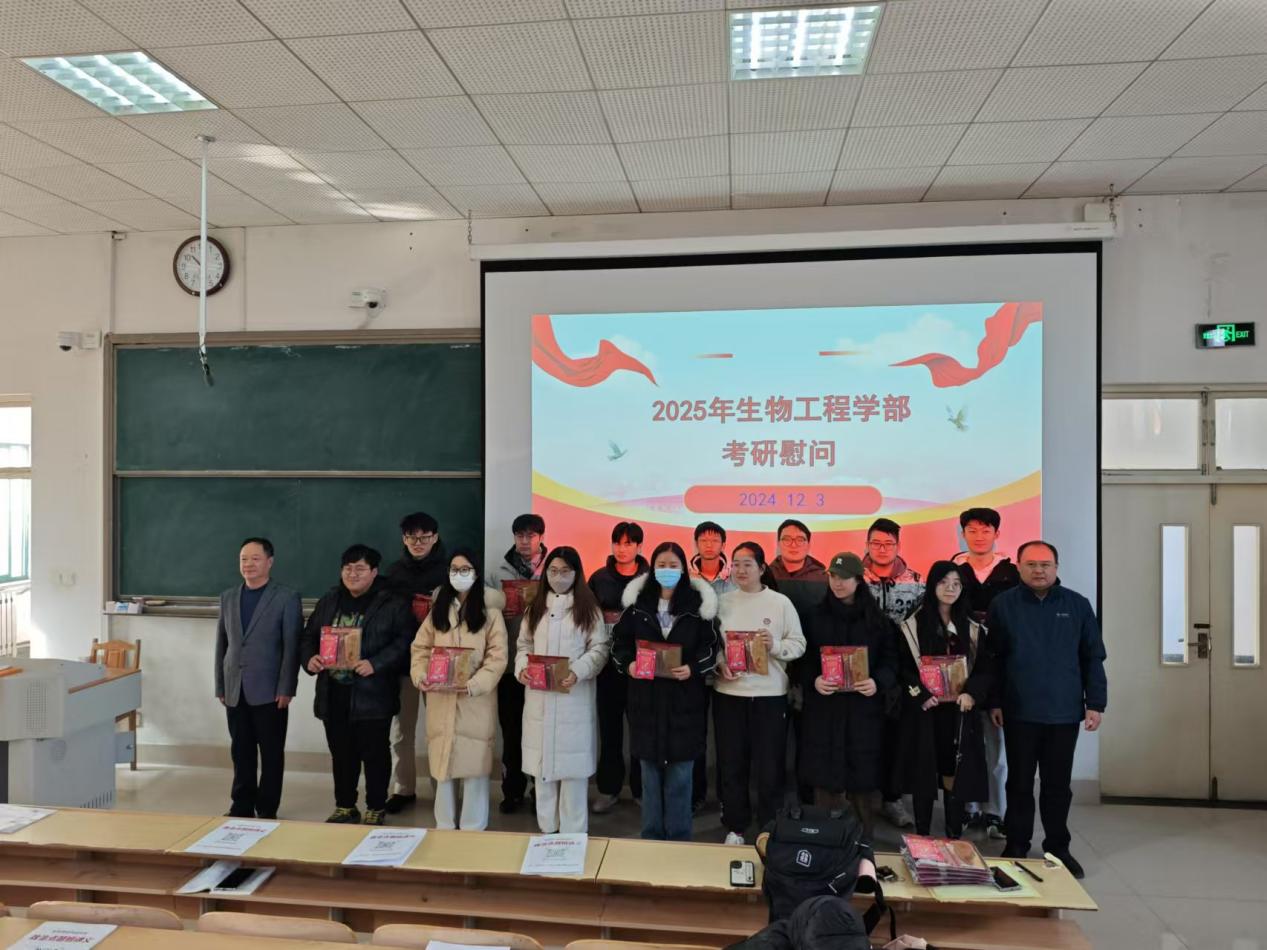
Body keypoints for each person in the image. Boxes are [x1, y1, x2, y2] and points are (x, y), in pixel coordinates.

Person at [988, 541, 1106, 879]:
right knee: (1019, 783)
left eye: (1045, 564)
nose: (1038, 570)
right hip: (1018, 710)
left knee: (1057, 785)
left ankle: (1058, 847)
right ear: (1019, 566)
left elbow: (1092, 656)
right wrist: (995, 701)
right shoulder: (1003, 605)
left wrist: (1095, 703)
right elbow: (992, 659)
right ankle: (1017, 843)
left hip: (1063, 712)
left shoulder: (1077, 605)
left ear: (1056, 567)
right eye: (1031, 564)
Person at [301, 544, 416, 825]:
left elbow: (405, 641)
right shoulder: (330, 600)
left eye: (360, 568)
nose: (352, 574)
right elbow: (308, 636)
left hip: (373, 692)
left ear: (374, 572)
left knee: (375, 754)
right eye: (348, 568)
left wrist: (376, 663)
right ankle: (344, 805)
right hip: (333, 691)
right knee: (341, 753)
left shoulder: (392, 603)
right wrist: (310, 658)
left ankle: (376, 805)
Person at [611, 541, 719, 840]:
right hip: (645, 700)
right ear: (652, 568)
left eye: (673, 565)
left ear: (683, 569)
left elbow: (711, 647)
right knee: (649, 775)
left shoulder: (698, 606)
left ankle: (679, 838)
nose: (667, 570)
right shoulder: (637, 605)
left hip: (685, 701)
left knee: (681, 775)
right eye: (661, 565)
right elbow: (619, 644)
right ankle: (651, 837)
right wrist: (630, 665)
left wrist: (693, 668)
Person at [798, 553, 899, 842]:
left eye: (844, 577)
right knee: (823, 777)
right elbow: (802, 661)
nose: (837, 583)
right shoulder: (814, 617)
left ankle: (862, 844)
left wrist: (877, 682)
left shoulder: (878, 621)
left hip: (863, 711)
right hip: (824, 709)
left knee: (863, 780)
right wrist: (814, 680)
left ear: (858, 580)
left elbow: (892, 662)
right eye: (832, 576)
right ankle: (823, 842)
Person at [894, 561, 995, 839]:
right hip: (926, 710)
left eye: (956, 584)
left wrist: (972, 692)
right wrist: (921, 695)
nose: (950, 589)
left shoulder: (972, 628)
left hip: (959, 711)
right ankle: (922, 834)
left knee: (955, 770)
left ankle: (953, 834)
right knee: (923, 770)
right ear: (932, 585)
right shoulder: (912, 625)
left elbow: (985, 668)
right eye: (943, 582)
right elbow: (903, 668)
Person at [411, 548, 508, 831]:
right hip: (440, 699)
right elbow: (420, 648)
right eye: (454, 569)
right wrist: (421, 675)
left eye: (465, 569)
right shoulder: (438, 610)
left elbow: (498, 658)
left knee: (474, 769)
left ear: (476, 573)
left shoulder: (491, 613)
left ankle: (473, 829)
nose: (459, 575)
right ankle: (444, 827)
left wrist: (475, 684)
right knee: (443, 768)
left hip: (475, 699)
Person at [714, 541, 805, 844]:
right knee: (732, 764)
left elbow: (799, 644)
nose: (740, 570)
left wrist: (774, 646)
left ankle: (769, 827)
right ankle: (735, 826)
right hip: (729, 695)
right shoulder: (722, 603)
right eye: (736, 564)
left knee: (770, 766)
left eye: (747, 564)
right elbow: (712, 645)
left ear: (762, 568)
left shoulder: (780, 603)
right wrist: (719, 663)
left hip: (769, 697)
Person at [515, 546, 610, 833]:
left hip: (573, 700)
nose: (559, 577)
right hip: (540, 700)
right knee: (543, 774)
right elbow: (524, 645)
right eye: (553, 571)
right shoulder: (535, 608)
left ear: (576, 573)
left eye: (565, 571)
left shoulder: (588, 609)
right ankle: (547, 833)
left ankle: (573, 836)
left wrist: (578, 670)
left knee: (573, 778)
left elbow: (600, 649)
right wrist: (522, 668)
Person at [215, 538, 302, 820]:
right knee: (241, 751)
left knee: (271, 753)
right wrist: (220, 684)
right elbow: (222, 644)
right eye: (243, 559)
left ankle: (267, 807)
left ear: (269, 562)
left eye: (255, 559)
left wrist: (287, 687)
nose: (248, 564)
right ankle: (241, 805)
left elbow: (292, 647)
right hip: (235, 687)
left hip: (271, 690)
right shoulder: (228, 597)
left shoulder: (286, 597)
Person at [951, 507, 1020, 840]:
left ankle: (996, 811)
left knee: (996, 745)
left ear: (996, 534)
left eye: (986, 530)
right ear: (963, 533)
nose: (979, 537)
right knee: (964, 741)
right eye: (972, 530)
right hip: (961, 665)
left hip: (1000, 664)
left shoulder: (1012, 572)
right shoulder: (954, 571)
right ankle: (969, 807)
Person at [381, 511, 448, 815]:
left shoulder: (450, 570)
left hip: (441, 661)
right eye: (411, 537)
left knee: (439, 730)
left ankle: (442, 788)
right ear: (404, 539)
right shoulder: (394, 573)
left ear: (435, 537)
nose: (418, 542)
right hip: (403, 661)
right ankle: (403, 787)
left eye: (424, 537)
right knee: (402, 731)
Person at [862, 517, 924, 830]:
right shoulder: (854, 579)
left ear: (898, 546)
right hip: (862, 671)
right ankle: (859, 799)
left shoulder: (917, 582)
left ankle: (892, 798)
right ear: (867, 545)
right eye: (876, 543)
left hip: (903, 673)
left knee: (897, 739)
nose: (882, 549)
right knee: (863, 736)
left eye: (888, 543)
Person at [589, 521, 649, 814]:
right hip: (607, 667)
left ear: (639, 546)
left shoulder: (651, 579)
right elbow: (587, 618)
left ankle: (641, 789)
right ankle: (609, 789)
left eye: (628, 543)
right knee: (609, 731)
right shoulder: (599, 579)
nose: (622, 549)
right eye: (617, 543)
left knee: (641, 731)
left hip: (642, 666)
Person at [489, 513, 546, 815]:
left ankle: (540, 789)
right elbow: (486, 615)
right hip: (509, 664)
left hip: (543, 664)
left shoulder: (555, 568)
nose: (525, 541)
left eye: (531, 535)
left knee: (540, 731)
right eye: (520, 535)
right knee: (511, 731)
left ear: (541, 537)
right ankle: (512, 790)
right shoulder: (497, 572)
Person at [690, 521, 732, 593]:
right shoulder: (687, 578)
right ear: (696, 544)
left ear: (723, 546)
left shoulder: (733, 578)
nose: (709, 545)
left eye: (715, 541)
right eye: (704, 540)